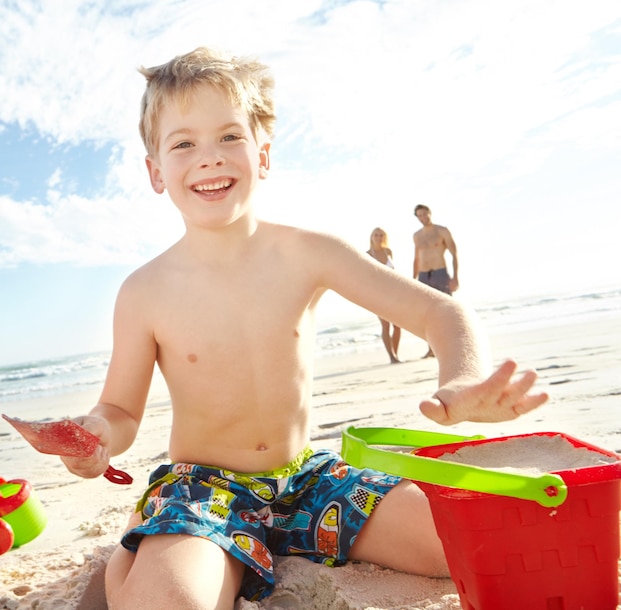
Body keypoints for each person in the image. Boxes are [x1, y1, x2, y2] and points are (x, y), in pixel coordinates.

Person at [60, 47, 548, 610]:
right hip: (204, 491)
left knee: (476, 544)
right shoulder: (144, 291)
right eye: (184, 143)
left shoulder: (309, 254)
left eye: (229, 136)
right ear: (155, 171)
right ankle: (150, 547)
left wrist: (462, 380)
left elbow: (441, 312)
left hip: (308, 482)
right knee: (170, 602)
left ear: (262, 155)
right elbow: (121, 412)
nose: (209, 157)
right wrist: (96, 434)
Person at [413, 204, 459, 358]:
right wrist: (413, 280)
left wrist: (455, 277)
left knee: (447, 310)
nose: (423, 218)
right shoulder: (417, 236)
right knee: (427, 313)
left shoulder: (442, 231)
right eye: (419, 215)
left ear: (430, 213)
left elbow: (454, 254)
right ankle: (432, 349)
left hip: (440, 273)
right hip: (424, 275)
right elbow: (417, 258)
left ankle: (454, 345)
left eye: (425, 214)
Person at [367, 227, 401, 363]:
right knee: (386, 325)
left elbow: (394, 272)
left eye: (381, 235)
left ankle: (396, 354)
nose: (378, 237)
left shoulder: (388, 252)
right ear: (371, 237)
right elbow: (366, 277)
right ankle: (391, 356)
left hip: (393, 291)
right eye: (376, 235)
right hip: (378, 294)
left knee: (398, 325)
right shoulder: (368, 254)